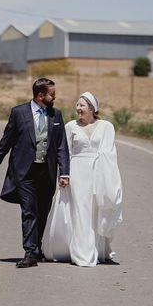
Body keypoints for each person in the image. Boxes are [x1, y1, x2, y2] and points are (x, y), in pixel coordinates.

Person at [0, 78, 70, 268]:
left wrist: (64, 172)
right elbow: (5, 142)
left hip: (47, 173)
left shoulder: (56, 115)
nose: (54, 97)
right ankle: (30, 252)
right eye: (52, 94)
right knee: (29, 211)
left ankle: (37, 248)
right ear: (40, 96)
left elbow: (61, 146)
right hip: (25, 173)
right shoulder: (19, 113)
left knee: (42, 213)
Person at [42, 91, 123, 267]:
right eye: (77, 105)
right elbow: (64, 152)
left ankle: (95, 247)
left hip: (98, 174)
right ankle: (81, 252)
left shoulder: (106, 127)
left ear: (92, 108)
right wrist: (63, 174)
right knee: (79, 210)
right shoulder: (71, 126)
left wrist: (106, 178)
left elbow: (109, 152)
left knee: (93, 210)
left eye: (82, 105)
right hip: (76, 173)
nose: (78, 108)